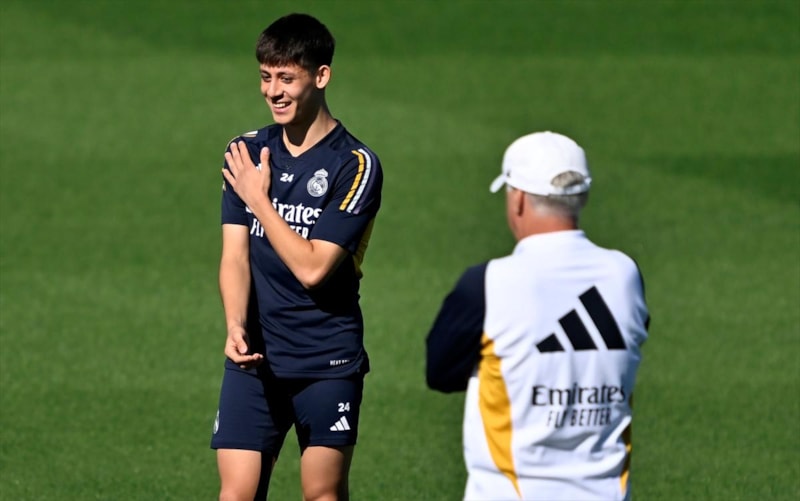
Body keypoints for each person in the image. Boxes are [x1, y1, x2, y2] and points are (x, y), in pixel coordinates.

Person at [209, 13, 383, 501]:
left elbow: (312, 267)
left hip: (326, 360)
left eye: (286, 78)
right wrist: (234, 324)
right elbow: (234, 255)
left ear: (321, 76)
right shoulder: (246, 152)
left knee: (321, 494)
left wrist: (259, 199)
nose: (273, 91)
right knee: (236, 494)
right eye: (266, 76)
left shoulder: (355, 166)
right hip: (255, 359)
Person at [425, 131, 650, 501]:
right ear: (582, 196)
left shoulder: (488, 283)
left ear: (518, 199)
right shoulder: (625, 276)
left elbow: (440, 373)